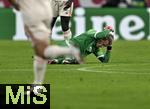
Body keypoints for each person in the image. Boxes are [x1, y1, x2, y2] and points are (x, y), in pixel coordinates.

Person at [8, 0, 82, 86]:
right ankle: (37, 82)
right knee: (43, 41)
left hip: (54, 5)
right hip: (48, 5)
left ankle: (69, 51)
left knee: (64, 27)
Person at [48, 26, 114, 64]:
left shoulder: (96, 49)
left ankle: (55, 60)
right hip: (66, 45)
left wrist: (109, 49)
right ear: (101, 38)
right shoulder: (92, 32)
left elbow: (105, 61)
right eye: (102, 43)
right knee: (76, 59)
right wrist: (109, 31)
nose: (101, 45)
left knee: (78, 60)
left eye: (104, 46)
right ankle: (60, 60)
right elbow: (101, 34)